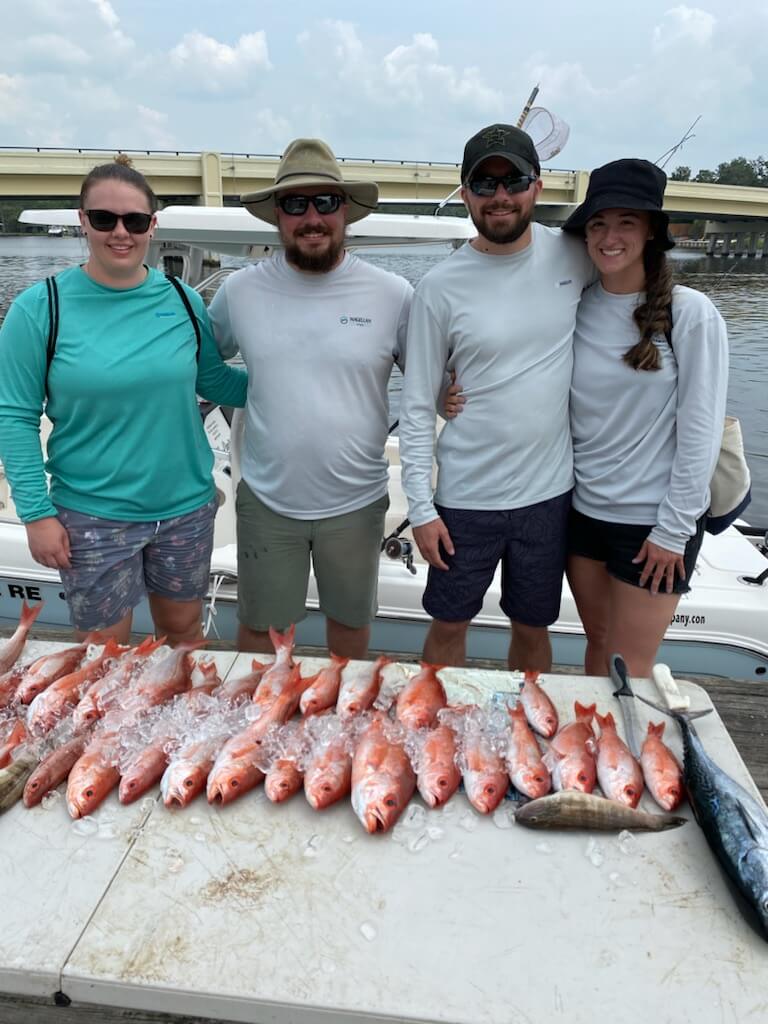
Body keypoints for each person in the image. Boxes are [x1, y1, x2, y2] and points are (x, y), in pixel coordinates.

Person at [0, 157, 247, 644]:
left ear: (152, 226)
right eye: (104, 219)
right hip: (92, 513)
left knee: (183, 636)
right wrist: (35, 514)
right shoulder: (39, 308)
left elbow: (215, 381)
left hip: (186, 508)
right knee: (105, 649)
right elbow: (14, 417)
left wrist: (297, 382)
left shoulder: (183, 299)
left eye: (134, 221)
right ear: (82, 220)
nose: (120, 233)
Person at [208, 138, 414, 658]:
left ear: (345, 210)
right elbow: (198, 365)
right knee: (259, 635)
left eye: (325, 202)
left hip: (358, 500)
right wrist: (250, 391)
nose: (311, 217)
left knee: (349, 628)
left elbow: (432, 382)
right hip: (268, 499)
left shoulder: (394, 295)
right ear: (277, 215)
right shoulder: (240, 291)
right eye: (295, 204)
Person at [399, 123, 594, 671]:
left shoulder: (576, 257)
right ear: (465, 193)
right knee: (448, 625)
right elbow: (416, 404)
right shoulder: (439, 287)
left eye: (514, 181)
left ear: (537, 186)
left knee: (533, 628)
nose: (500, 196)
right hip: (464, 498)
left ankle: (526, 737)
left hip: (548, 496)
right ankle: (435, 732)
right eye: (484, 185)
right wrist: (420, 507)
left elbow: (634, 294)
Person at [562, 158, 728, 677]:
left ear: (652, 230)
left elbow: (700, 428)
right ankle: (591, 755)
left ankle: (627, 756)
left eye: (626, 222)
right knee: (595, 646)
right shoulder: (575, 306)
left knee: (628, 666)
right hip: (583, 513)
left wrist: (674, 530)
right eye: (598, 224)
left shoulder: (691, 312)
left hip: (654, 524)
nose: (610, 237)